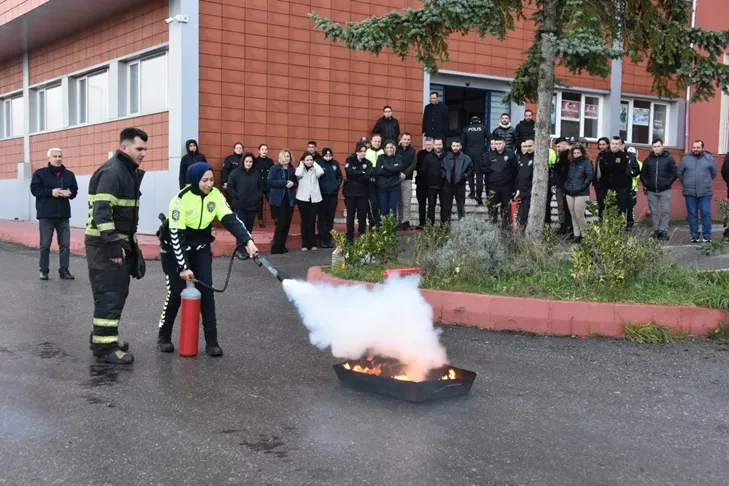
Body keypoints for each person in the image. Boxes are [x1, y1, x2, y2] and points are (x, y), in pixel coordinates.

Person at [158, 162, 258, 357]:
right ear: (195, 179)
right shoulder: (180, 200)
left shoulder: (216, 196)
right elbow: (176, 238)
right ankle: (163, 336)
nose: (209, 184)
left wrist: (247, 240)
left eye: (211, 180)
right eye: (204, 180)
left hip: (201, 248)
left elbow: (231, 219)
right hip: (175, 250)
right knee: (176, 293)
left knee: (207, 293)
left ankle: (212, 342)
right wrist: (184, 267)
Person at [85, 128, 148, 364]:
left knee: (115, 292)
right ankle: (105, 348)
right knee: (109, 294)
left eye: (145, 149)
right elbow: (102, 213)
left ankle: (105, 337)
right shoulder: (113, 172)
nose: (143, 154)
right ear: (124, 147)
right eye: (139, 149)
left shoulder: (124, 171)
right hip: (105, 246)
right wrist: (113, 245)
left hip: (116, 244)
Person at [30, 148, 78, 281]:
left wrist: (70, 193)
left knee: (65, 245)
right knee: (45, 244)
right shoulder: (40, 174)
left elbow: (74, 191)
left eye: (60, 156)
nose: (58, 159)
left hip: (63, 215)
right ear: (49, 158)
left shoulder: (69, 174)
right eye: (55, 156)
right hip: (46, 215)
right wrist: (51, 192)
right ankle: (44, 271)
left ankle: (64, 270)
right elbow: (35, 190)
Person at [679, 140, 717, 243]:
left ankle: (707, 235)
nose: (696, 149)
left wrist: (706, 182)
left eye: (698, 147)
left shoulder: (709, 159)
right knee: (692, 214)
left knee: (706, 213)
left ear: (702, 148)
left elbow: (714, 173)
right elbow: (680, 174)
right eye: (694, 147)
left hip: (705, 192)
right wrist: (686, 183)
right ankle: (694, 235)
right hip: (690, 192)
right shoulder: (685, 159)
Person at [640, 138, 677, 240]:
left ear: (662, 146)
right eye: (654, 147)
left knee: (665, 211)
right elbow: (643, 174)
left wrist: (668, 183)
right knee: (654, 211)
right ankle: (656, 231)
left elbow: (674, 173)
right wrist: (646, 184)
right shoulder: (648, 160)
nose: (656, 148)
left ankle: (663, 231)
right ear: (652, 148)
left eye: (658, 146)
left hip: (665, 190)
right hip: (652, 190)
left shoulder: (669, 158)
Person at [227, 152, 262, 259]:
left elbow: (260, 188)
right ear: (243, 161)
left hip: (252, 206)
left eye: (250, 161)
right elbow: (230, 186)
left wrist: (257, 197)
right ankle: (240, 250)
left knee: (249, 229)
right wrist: (236, 196)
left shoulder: (256, 173)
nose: (248, 163)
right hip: (239, 206)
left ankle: (248, 249)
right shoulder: (235, 173)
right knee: (241, 228)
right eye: (246, 161)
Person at [482, 135, 518, 228]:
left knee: (506, 208)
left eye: (500, 143)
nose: (498, 145)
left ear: (504, 144)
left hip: (506, 186)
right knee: (492, 207)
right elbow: (483, 168)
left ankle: (506, 227)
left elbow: (515, 170)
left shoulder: (511, 155)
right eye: (496, 144)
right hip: (493, 186)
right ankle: (491, 226)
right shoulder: (488, 155)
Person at [268, 149, 298, 254]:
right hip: (278, 200)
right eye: (284, 156)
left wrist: (293, 184)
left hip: (289, 200)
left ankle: (282, 245)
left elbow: (296, 183)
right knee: (281, 223)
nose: (286, 158)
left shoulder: (292, 170)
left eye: (288, 156)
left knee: (287, 223)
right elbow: (270, 182)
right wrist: (284, 182)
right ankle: (276, 246)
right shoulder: (274, 168)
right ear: (280, 157)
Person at [563, 144, 593, 244]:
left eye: (578, 153)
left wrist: (581, 187)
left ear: (582, 153)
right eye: (574, 153)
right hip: (570, 191)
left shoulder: (587, 162)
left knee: (579, 214)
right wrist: (566, 187)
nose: (576, 155)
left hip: (581, 193)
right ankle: (577, 235)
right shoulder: (572, 163)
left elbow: (589, 177)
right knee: (573, 215)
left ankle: (586, 235)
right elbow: (569, 177)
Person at [596, 136, 631, 222]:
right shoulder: (604, 155)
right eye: (613, 144)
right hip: (606, 187)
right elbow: (603, 168)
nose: (614, 146)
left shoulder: (624, 156)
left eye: (617, 144)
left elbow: (623, 168)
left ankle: (618, 232)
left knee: (620, 211)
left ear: (620, 145)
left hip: (619, 188)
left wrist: (611, 166)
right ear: (610, 144)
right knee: (605, 210)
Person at [344, 144, 372, 242]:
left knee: (362, 215)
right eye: (361, 151)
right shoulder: (350, 160)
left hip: (363, 193)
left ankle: (362, 233)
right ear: (357, 152)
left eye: (365, 151)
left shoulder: (368, 162)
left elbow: (368, 175)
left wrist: (358, 174)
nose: (363, 153)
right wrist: (362, 172)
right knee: (350, 215)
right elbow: (349, 172)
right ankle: (350, 234)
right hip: (350, 192)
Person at [439, 139, 473, 223]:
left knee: (461, 206)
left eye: (457, 146)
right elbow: (441, 168)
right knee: (447, 207)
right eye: (454, 146)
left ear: (460, 146)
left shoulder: (466, 158)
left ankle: (461, 225)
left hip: (460, 185)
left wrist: (464, 177)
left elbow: (471, 170)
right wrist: (445, 176)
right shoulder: (446, 157)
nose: (455, 148)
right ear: (451, 146)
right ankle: (446, 226)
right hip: (448, 185)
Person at [296, 153, 324, 251]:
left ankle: (312, 243)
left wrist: (315, 163)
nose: (309, 162)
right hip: (303, 198)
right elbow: (297, 174)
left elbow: (321, 172)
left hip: (315, 198)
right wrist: (301, 164)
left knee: (312, 221)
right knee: (305, 221)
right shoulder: (300, 169)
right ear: (303, 161)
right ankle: (304, 244)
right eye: (307, 160)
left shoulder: (315, 169)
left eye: (311, 160)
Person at [316, 148, 342, 248]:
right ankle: (322, 239)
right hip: (322, 195)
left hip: (333, 194)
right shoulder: (318, 163)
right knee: (322, 218)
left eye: (329, 156)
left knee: (330, 218)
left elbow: (339, 176)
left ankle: (328, 238)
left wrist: (336, 185)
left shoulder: (335, 163)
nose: (328, 158)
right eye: (326, 156)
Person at [375, 140, 405, 226]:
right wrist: (392, 169)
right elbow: (377, 171)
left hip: (394, 187)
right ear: (384, 149)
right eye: (387, 147)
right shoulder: (381, 157)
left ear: (394, 148)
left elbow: (397, 169)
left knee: (392, 211)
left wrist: (384, 167)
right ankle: (383, 232)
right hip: (383, 187)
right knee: (383, 210)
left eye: (391, 147)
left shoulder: (398, 157)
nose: (389, 149)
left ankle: (392, 233)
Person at [553, 137, 577, 236]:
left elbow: (564, 169)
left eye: (559, 146)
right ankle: (563, 226)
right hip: (559, 184)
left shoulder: (568, 154)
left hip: (566, 185)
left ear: (564, 144)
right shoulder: (560, 154)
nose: (557, 148)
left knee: (567, 208)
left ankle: (569, 228)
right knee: (560, 207)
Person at [462, 116, 489, 201]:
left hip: (469, 154)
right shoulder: (483, 128)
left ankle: (472, 193)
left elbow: (462, 142)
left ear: (471, 122)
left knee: (470, 174)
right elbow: (490, 138)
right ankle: (479, 195)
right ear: (480, 121)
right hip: (480, 154)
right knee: (479, 175)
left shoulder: (466, 129)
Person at [397, 133, 417, 230]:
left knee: (406, 203)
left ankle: (405, 222)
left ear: (410, 140)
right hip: (396, 179)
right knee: (399, 203)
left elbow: (414, 164)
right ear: (401, 139)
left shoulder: (413, 151)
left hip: (407, 180)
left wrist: (405, 174)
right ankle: (399, 221)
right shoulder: (396, 149)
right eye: (405, 139)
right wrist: (398, 173)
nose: (406, 141)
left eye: (408, 139)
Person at [424, 138, 446, 225]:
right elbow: (424, 171)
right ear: (433, 145)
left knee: (444, 207)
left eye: (440, 145)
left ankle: (444, 226)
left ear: (442, 145)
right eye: (436, 145)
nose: (438, 146)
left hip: (444, 186)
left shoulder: (447, 156)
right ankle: (429, 226)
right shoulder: (428, 157)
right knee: (431, 206)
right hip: (431, 186)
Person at [365, 134, 385, 228]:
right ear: (371, 142)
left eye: (379, 141)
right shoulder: (366, 151)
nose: (377, 143)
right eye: (375, 141)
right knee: (372, 202)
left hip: (381, 180)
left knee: (380, 202)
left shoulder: (383, 151)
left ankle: (378, 220)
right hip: (369, 181)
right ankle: (373, 220)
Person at [515, 139, 535, 229]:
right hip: (522, 191)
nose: (528, 148)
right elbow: (520, 176)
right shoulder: (523, 158)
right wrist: (518, 190)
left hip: (531, 192)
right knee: (522, 214)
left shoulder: (537, 159)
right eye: (526, 146)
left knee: (526, 214)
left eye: (530, 146)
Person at [414, 138, 434, 229]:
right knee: (421, 204)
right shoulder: (420, 154)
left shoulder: (435, 154)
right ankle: (421, 223)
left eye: (430, 144)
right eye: (427, 144)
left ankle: (430, 223)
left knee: (431, 204)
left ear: (433, 145)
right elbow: (416, 166)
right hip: (421, 183)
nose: (428, 146)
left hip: (432, 184)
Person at [254, 144, 275, 228]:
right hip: (258, 185)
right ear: (259, 151)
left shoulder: (270, 161)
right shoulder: (255, 161)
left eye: (266, 149)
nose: (264, 151)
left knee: (272, 202)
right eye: (262, 149)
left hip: (268, 185)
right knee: (259, 204)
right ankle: (260, 220)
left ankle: (275, 218)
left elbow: (273, 172)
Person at [592, 137, 611, 221]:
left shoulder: (610, 155)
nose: (601, 146)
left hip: (606, 184)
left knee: (606, 205)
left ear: (608, 145)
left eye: (603, 144)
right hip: (598, 184)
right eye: (600, 144)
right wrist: (595, 182)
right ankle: (600, 222)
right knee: (600, 205)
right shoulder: (600, 155)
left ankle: (605, 223)